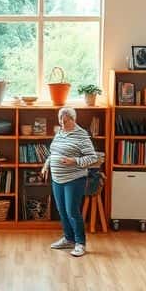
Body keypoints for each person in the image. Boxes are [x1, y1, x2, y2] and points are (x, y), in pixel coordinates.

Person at [41, 106, 100, 257]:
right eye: (60, 120)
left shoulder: (81, 135)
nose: (62, 124)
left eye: (65, 121)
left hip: (74, 179)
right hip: (57, 178)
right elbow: (53, 152)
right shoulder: (60, 133)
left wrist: (74, 160)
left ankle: (80, 243)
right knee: (62, 211)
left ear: (74, 120)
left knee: (72, 212)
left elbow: (93, 158)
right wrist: (46, 165)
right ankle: (68, 239)